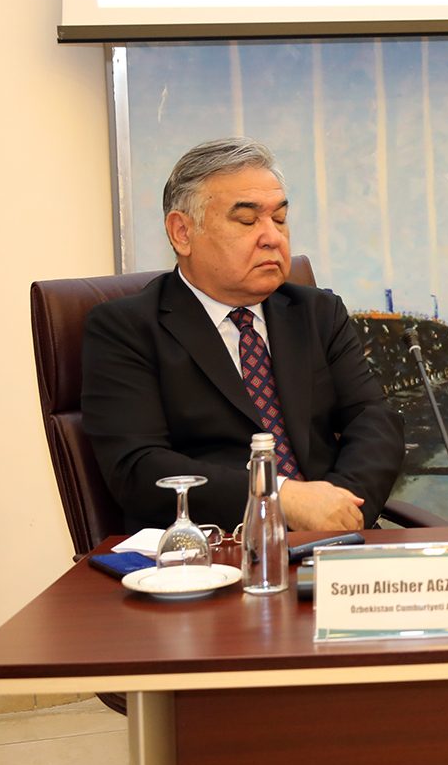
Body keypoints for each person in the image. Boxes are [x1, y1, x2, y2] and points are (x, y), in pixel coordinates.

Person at [83, 138, 405, 532]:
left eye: (280, 219)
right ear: (182, 232)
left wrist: (339, 509)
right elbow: (138, 468)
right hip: (215, 549)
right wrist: (279, 498)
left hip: (335, 539)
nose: (273, 237)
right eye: (248, 221)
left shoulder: (318, 312)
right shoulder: (126, 328)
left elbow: (374, 421)